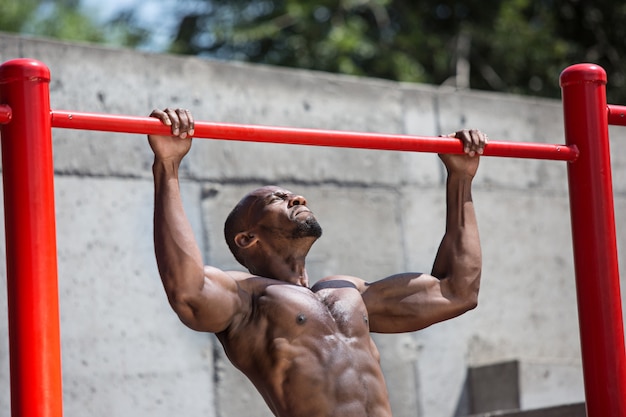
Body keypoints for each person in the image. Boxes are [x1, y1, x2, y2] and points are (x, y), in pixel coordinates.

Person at [148, 107, 487, 417]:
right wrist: (168, 165)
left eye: (291, 194)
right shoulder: (248, 301)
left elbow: (458, 292)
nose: (297, 197)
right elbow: (188, 292)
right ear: (247, 239)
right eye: (276, 199)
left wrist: (460, 179)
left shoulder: (350, 293)